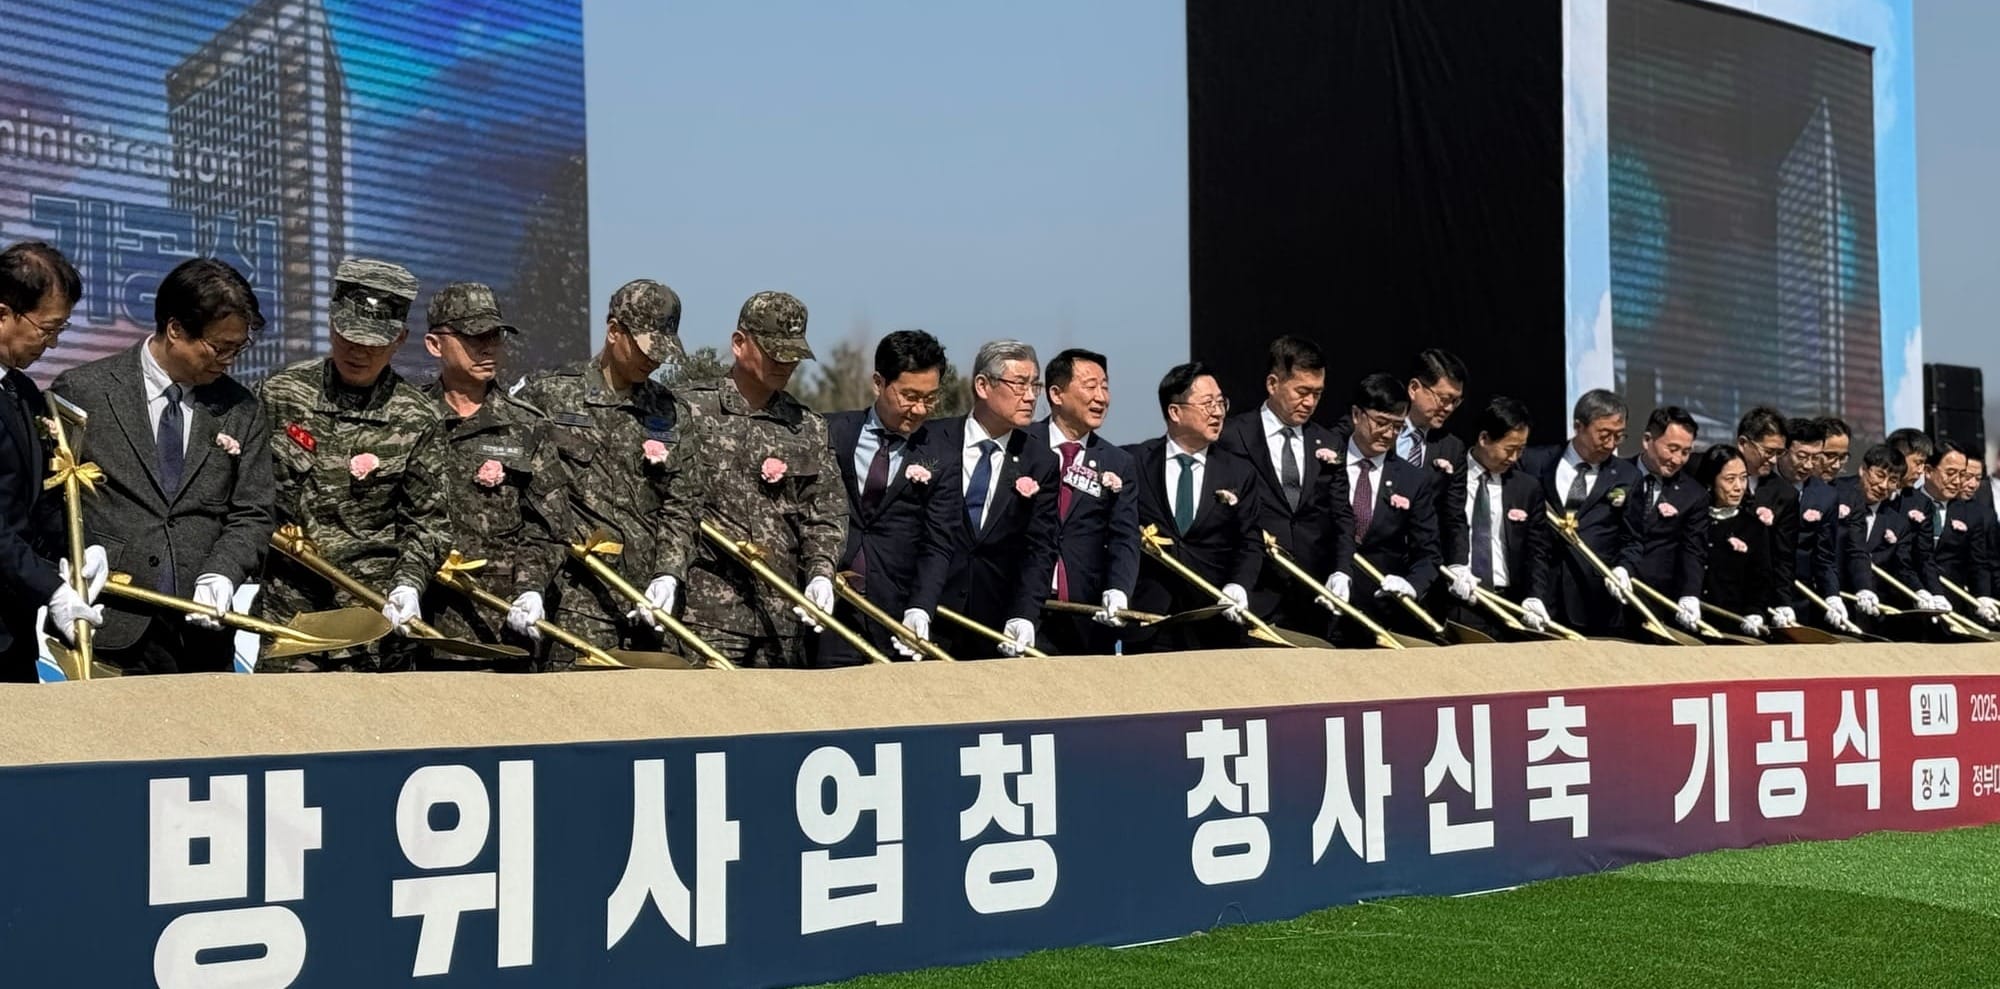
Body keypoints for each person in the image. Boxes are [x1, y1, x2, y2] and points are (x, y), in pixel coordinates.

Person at [49, 258, 273, 674]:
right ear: (175, 330)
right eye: (219, 347)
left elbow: (253, 512)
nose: (229, 360)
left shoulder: (241, 409)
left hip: (200, 632)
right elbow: (49, 500)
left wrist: (221, 575)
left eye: (238, 349)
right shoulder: (85, 391)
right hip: (106, 621)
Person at [258, 258, 451, 671]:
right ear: (331, 324)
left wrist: (409, 583)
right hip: (292, 616)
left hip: (374, 621)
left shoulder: (418, 417)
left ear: (400, 339)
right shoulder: (281, 394)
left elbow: (429, 523)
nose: (358, 352)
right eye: (348, 337)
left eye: (373, 342)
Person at [658, 291, 847, 668]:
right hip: (704, 615)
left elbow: (825, 512)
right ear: (739, 344)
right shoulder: (686, 410)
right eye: (774, 352)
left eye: (792, 355)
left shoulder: (807, 426)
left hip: (782, 621)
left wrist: (822, 573)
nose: (785, 363)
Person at [515, 279, 689, 657]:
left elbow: (682, 503)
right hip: (576, 598)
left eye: (663, 351)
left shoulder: (670, 411)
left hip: (650, 603)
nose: (654, 360)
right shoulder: (549, 395)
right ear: (614, 332)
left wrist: (669, 573)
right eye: (646, 348)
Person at [418, 282, 570, 663]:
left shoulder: (527, 426)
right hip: (422, 624)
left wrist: (531, 589)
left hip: (503, 627)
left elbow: (548, 527)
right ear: (435, 345)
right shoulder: (412, 418)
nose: (487, 348)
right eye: (473, 337)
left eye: (495, 336)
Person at [824, 330, 962, 664]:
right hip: (829, 606)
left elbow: (938, 543)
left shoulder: (942, 455)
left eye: (929, 399)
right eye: (909, 396)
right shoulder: (832, 432)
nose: (918, 409)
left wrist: (920, 608)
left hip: (894, 612)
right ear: (878, 383)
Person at [0, 241, 104, 678]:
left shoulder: (22, 393)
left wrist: (76, 549)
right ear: (3, 312)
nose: (53, 344)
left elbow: (37, 496)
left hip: (12, 625)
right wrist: (51, 589)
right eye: (47, 329)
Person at [932, 340, 1060, 658]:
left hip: (996, 623)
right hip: (930, 612)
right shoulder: (934, 441)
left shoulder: (1039, 460)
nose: (1030, 396)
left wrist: (1025, 613)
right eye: (1019, 384)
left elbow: (1040, 548)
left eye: (1035, 385)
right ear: (983, 385)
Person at [1217, 335, 1352, 631]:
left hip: (1311, 598)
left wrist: (1341, 571)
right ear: (1273, 384)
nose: (1310, 402)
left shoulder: (1328, 443)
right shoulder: (1232, 436)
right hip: (1252, 592)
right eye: (1302, 391)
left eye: (1317, 394)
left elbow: (1342, 516)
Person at [1123, 362, 1258, 652]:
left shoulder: (1238, 471)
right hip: (1150, 619)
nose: (1218, 412)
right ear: (1175, 412)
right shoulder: (1135, 462)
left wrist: (1238, 586)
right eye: (1208, 403)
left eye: (1221, 403)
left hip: (1213, 621)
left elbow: (1250, 542)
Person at [1026, 347, 1139, 656]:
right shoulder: (1021, 445)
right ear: (1056, 394)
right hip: (1022, 606)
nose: (1101, 397)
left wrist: (1119, 590)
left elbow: (1124, 537)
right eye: (1091, 387)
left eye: (1105, 386)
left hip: (1085, 613)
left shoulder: (1118, 462)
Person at [1517, 389, 1641, 636]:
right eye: (1604, 435)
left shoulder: (1628, 476)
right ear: (1578, 427)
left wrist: (1624, 568)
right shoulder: (1535, 462)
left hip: (1595, 603)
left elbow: (1633, 539)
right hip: (1541, 596)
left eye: (1619, 436)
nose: (1611, 444)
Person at [1335, 372, 1442, 641]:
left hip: (1381, 614)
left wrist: (1412, 586)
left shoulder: (1412, 479)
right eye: (1381, 423)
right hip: (1324, 605)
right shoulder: (1325, 459)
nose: (1388, 433)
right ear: (1357, 415)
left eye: (1397, 427)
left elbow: (1428, 553)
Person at [1434, 396, 1553, 635]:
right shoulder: (1448, 477)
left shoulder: (1526, 488)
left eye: (1521, 450)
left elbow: (1537, 551)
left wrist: (1535, 596)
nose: (1514, 458)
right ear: (1484, 438)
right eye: (1509, 449)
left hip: (1508, 602)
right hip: (1457, 597)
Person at [1621, 407, 1708, 632]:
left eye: (1686, 452)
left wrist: (1690, 593)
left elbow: (1693, 550)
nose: (1677, 459)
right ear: (1647, 440)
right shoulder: (1617, 474)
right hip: (1612, 592)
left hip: (1658, 604)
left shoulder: (1693, 494)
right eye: (1672, 449)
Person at [1841, 444, 1941, 623]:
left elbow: (1902, 566)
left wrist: (1920, 591)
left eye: (1893, 481)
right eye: (1879, 476)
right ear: (1863, 469)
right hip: (1834, 601)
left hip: (1872, 612)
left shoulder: (1897, 523)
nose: (1883, 486)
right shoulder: (1838, 497)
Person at [1775, 417, 1853, 631]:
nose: (1808, 465)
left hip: (1801, 598)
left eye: (1815, 458)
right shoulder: (1764, 487)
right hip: (1762, 594)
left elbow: (1824, 555)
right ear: (1783, 451)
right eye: (1801, 457)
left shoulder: (1825, 495)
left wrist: (1832, 595)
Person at [1692, 446, 1773, 636]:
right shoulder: (1695, 521)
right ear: (1711, 480)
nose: (1739, 487)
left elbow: (1761, 580)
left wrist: (1756, 613)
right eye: (1730, 479)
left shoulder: (1754, 527)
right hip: (1693, 624)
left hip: (1732, 629)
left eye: (1743, 478)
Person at [1919, 438, 1997, 624]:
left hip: (1953, 610)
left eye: (1962, 475)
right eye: (1951, 473)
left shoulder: (1970, 513)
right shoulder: (1905, 504)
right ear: (1928, 471)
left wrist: (1982, 596)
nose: (1957, 481)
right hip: (1913, 602)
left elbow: (1979, 564)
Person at [1737, 407, 1798, 625]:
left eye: (1779, 453)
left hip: (1758, 597)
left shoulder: (1784, 493)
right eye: (1768, 451)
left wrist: (1784, 602)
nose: (1773, 460)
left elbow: (1783, 556)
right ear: (1743, 443)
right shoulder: (1711, 472)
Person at [1400, 348, 1470, 504]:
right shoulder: (1378, 426)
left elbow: (1453, 515)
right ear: (1414, 388)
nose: (1449, 408)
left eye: (1455, 402)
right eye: (1444, 399)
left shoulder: (1452, 448)